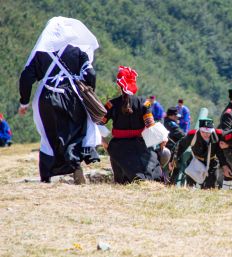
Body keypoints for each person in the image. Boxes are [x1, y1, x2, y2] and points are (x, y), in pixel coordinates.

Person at [18, 17, 101, 184]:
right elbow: (90, 74)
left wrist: (24, 102)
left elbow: (26, 78)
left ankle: (48, 175)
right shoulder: (78, 52)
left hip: (46, 97)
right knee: (74, 132)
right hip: (72, 97)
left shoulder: (41, 54)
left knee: (49, 136)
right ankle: (75, 165)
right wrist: (89, 91)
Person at [101, 66, 164, 184]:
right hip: (140, 146)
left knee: (121, 182)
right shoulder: (144, 103)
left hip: (118, 148)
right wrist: (163, 140)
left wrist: (106, 145)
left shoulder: (111, 105)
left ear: (119, 86)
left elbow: (98, 125)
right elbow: (151, 126)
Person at [174, 118, 226, 189]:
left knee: (210, 187)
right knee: (190, 186)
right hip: (196, 161)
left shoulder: (218, 135)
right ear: (200, 129)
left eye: (208, 132)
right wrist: (174, 159)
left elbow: (222, 152)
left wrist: (225, 165)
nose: (206, 134)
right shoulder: (193, 135)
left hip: (212, 162)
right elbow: (181, 146)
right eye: (203, 132)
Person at [164, 107, 186, 183]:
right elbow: (180, 134)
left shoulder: (168, 121)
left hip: (171, 149)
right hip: (171, 149)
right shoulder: (171, 123)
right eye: (175, 115)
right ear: (171, 116)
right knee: (171, 169)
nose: (177, 117)